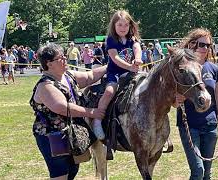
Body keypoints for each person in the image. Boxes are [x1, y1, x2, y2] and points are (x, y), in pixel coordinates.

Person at [30, 43, 106, 179]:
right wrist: (91, 112)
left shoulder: (67, 76)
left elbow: (90, 76)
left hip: (70, 133)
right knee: (60, 173)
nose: (65, 60)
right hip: (51, 136)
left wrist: (111, 66)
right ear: (49, 63)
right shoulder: (45, 85)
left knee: (72, 170)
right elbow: (62, 107)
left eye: (64, 56)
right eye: (61, 58)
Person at [174, 28, 218, 180]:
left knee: (207, 173)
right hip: (189, 126)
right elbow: (171, 98)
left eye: (208, 45)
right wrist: (175, 100)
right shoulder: (182, 68)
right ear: (192, 44)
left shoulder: (214, 69)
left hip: (211, 126)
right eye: (202, 44)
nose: (205, 48)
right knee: (198, 171)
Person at [92, 10, 142, 139]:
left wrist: (137, 59)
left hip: (131, 72)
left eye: (126, 25)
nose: (123, 28)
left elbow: (137, 49)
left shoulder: (132, 39)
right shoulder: (111, 40)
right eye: (120, 25)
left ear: (130, 26)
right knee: (109, 92)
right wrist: (130, 67)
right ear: (114, 25)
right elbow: (115, 58)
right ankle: (97, 120)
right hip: (115, 73)